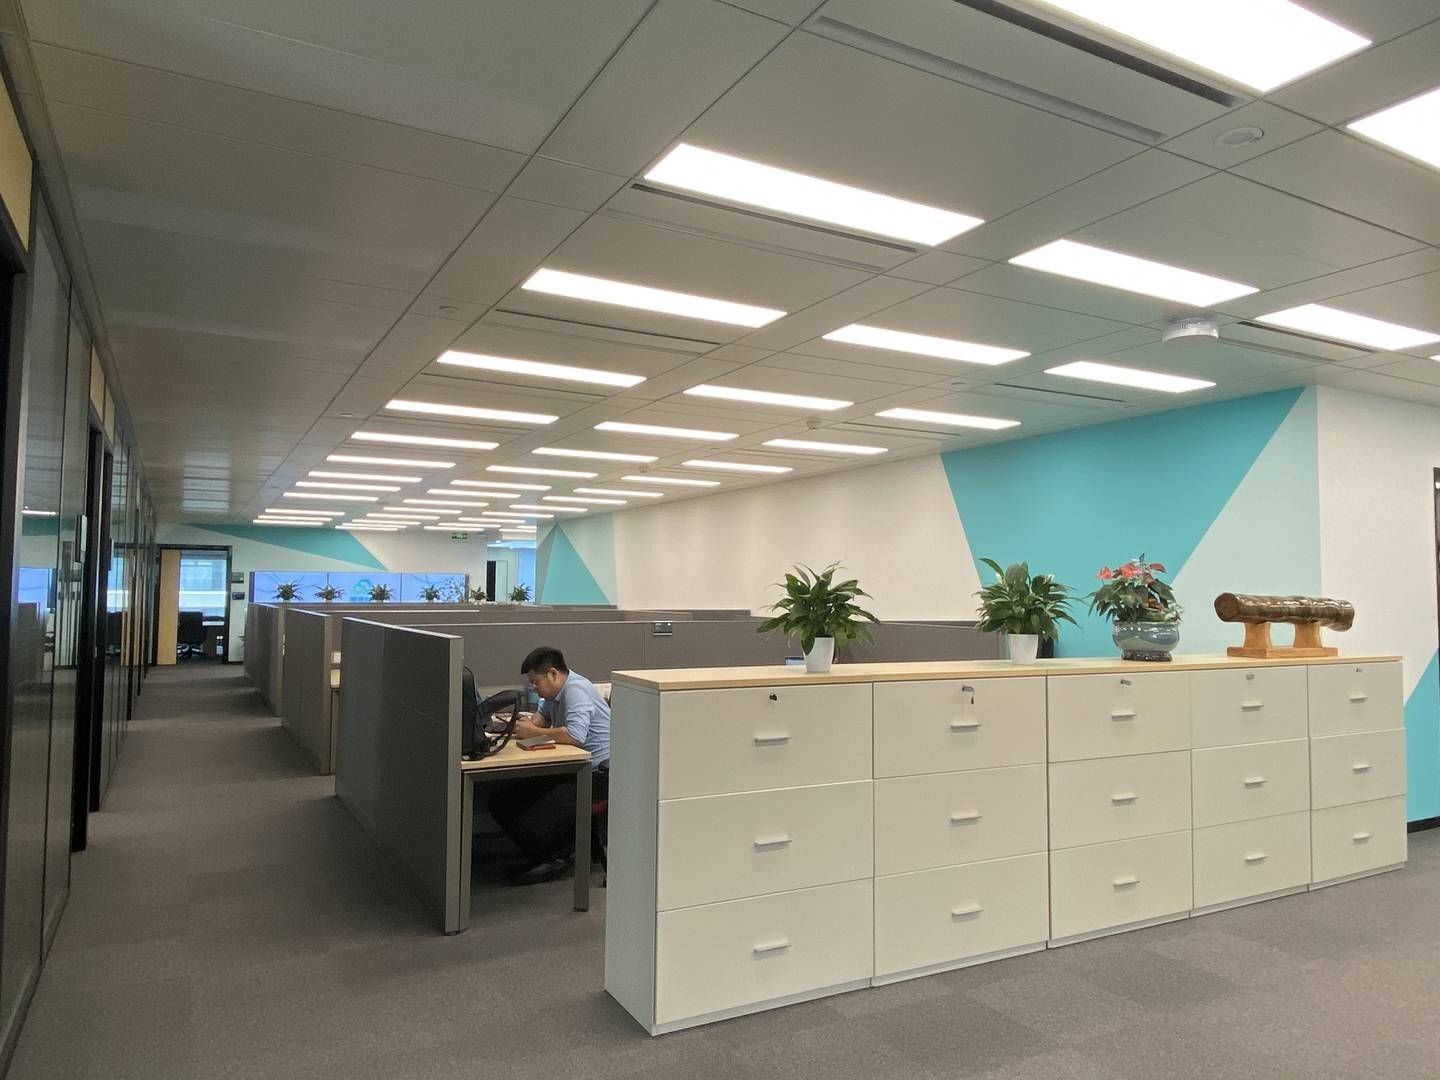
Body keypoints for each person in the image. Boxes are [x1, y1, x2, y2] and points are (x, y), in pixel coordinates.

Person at [487, 646, 610, 886]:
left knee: (535, 815)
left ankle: (557, 858)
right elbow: (541, 718)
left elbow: (575, 735)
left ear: (553, 674)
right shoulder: (554, 694)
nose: (534, 688)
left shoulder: (576, 689)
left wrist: (533, 732)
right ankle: (544, 856)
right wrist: (528, 726)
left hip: (597, 775)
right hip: (572, 768)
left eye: (536, 682)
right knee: (503, 802)